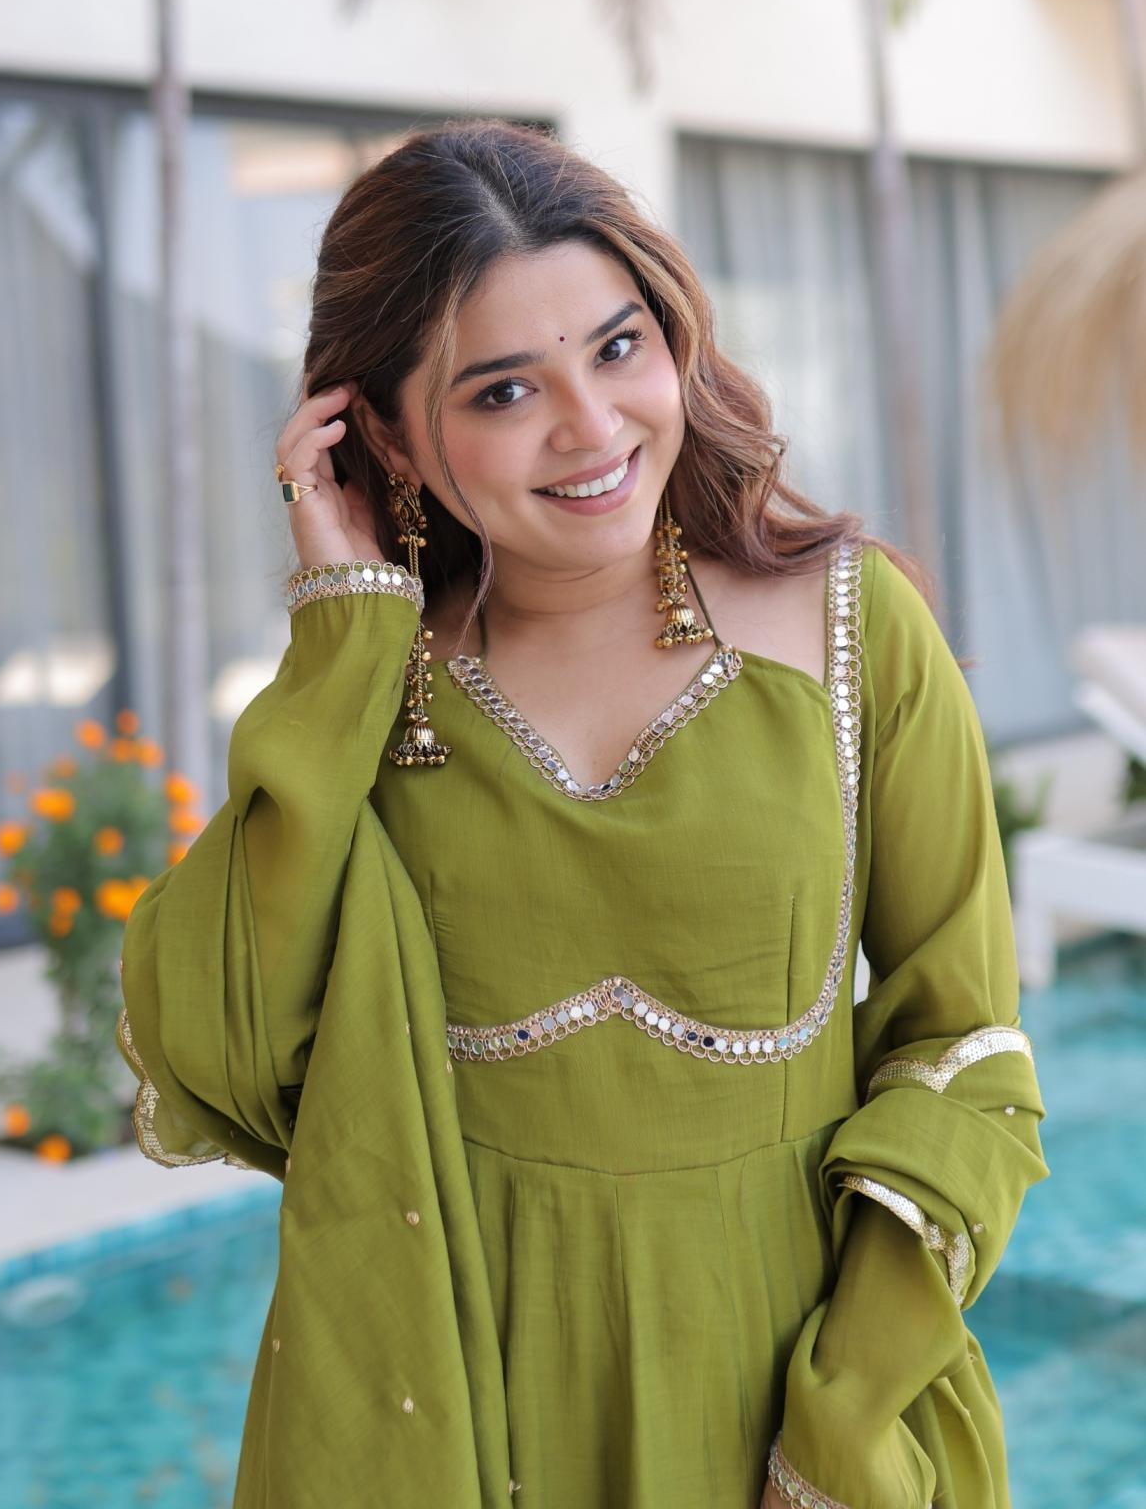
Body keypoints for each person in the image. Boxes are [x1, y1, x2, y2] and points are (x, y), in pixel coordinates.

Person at [116, 118, 1048, 1509]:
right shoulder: (378, 695)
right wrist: (344, 636)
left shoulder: (849, 629)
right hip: (459, 1407)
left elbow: (962, 1051)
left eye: (618, 348)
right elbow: (227, 1051)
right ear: (386, 435)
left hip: (787, 1396)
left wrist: (840, 1417)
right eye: (503, 390)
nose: (593, 426)